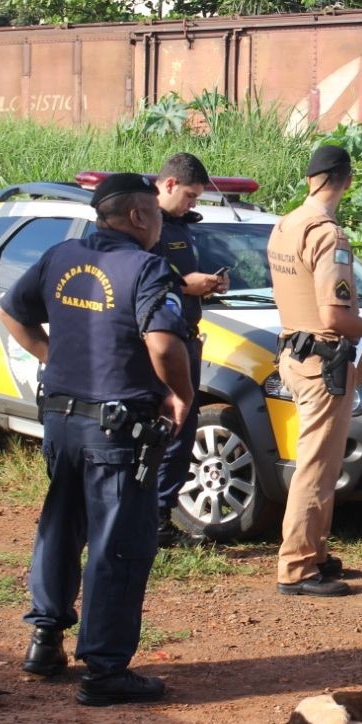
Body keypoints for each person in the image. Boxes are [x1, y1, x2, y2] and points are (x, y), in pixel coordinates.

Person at [0, 173, 194, 706]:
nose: (160, 223)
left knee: (61, 525)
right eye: (155, 213)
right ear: (136, 216)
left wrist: (51, 358)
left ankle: (45, 639)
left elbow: (12, 311)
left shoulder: (61, 257)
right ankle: (105, 670)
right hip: (118, 432)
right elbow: (163, 343)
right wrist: (180, 394)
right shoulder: (147, 268)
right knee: (119, 542)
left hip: (61, 420)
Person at [268, 145, 362, 597]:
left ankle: (315, 552)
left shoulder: (286, 224)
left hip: (294, 352)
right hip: (323, 361)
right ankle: (297, 566)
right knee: (316, 467)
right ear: (345, 180)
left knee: (322, 464)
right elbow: (336, 317)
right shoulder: (328, 235)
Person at [152, 152, 230, 547]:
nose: (192, 204)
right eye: (189, 196)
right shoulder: (144, 224)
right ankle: (150, 522)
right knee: (162, 429)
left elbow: (175, 277)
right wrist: (186, 286)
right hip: (156, 343)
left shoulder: (181, 226)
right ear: (167, 184)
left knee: (180, 431)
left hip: (186, 335)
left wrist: (209, 286)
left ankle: (160, 519)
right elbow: (140, 281)